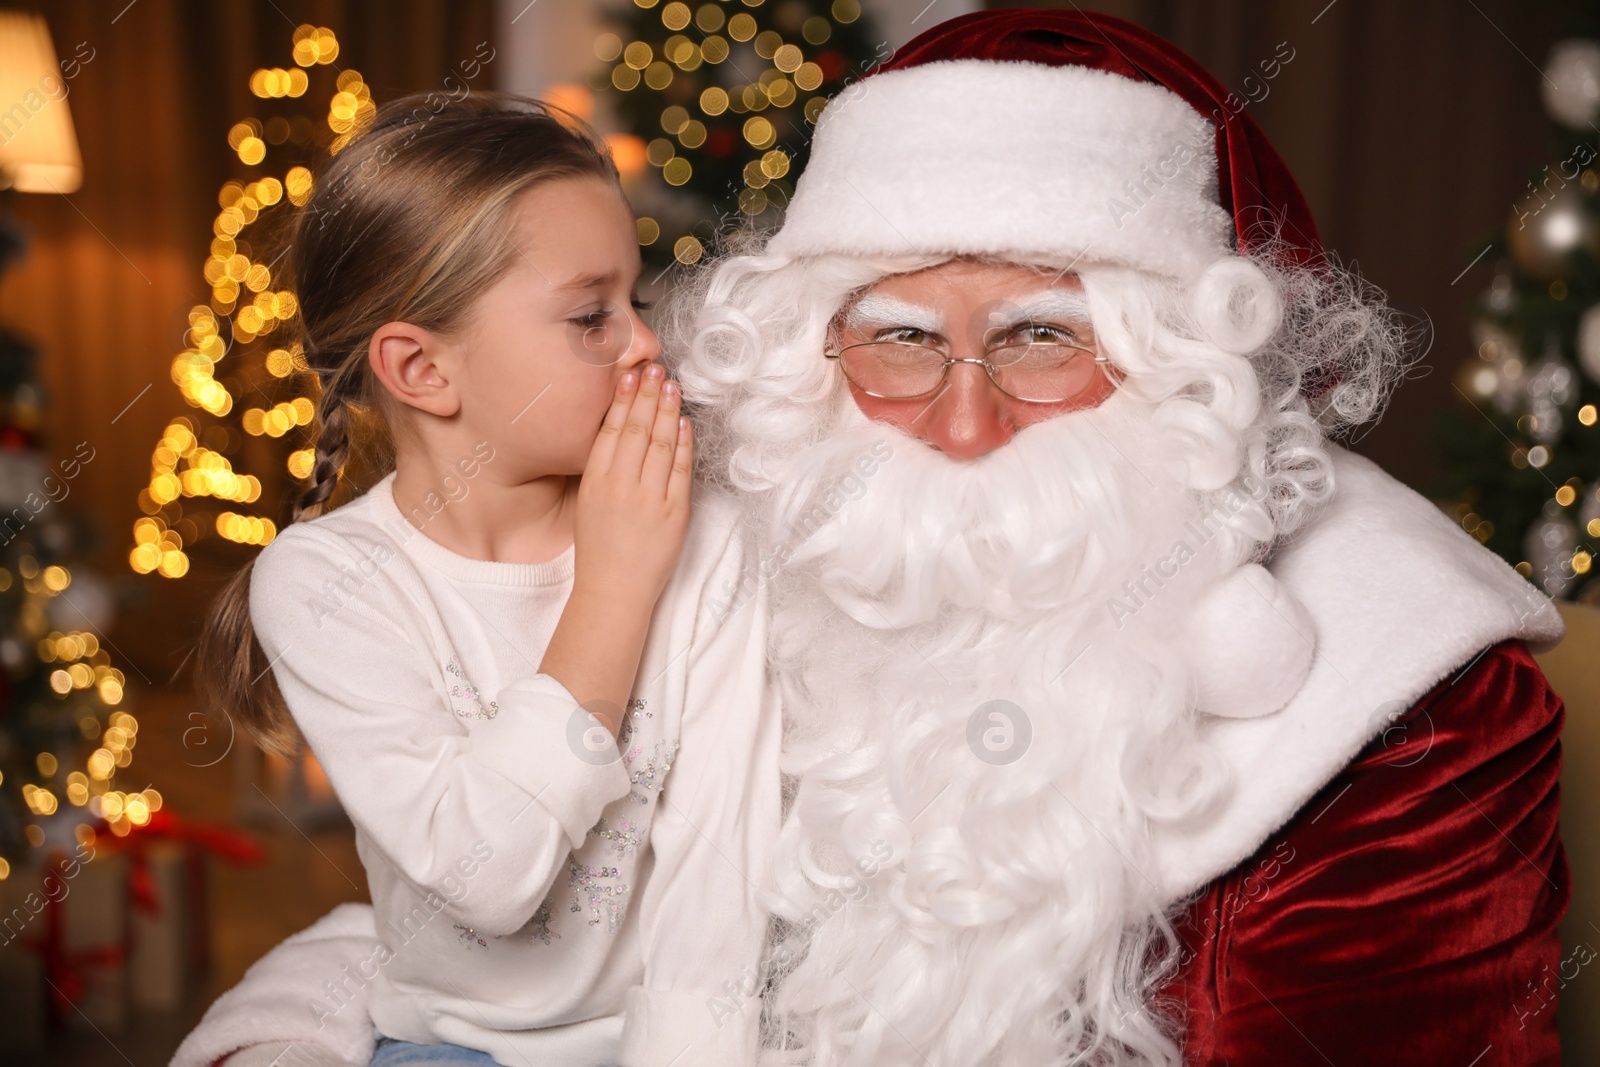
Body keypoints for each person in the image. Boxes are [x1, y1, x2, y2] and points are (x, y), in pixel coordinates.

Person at [178, 11, 1570, 1067]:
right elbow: (506, 895)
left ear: (1182, 363)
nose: (962, 422)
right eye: (902, 337)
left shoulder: (1403, 705)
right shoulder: (799, 523)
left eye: (1041, 335)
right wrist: (285, 1029)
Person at [183, 92, 778, 1067]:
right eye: (590, 314)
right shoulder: (326, 582)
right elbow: (488, 873)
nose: (643, 342)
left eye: (633, 297)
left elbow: (721, 869)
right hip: (451, 1045)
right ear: (420, 369)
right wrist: (615, 587)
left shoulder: (706, 539)